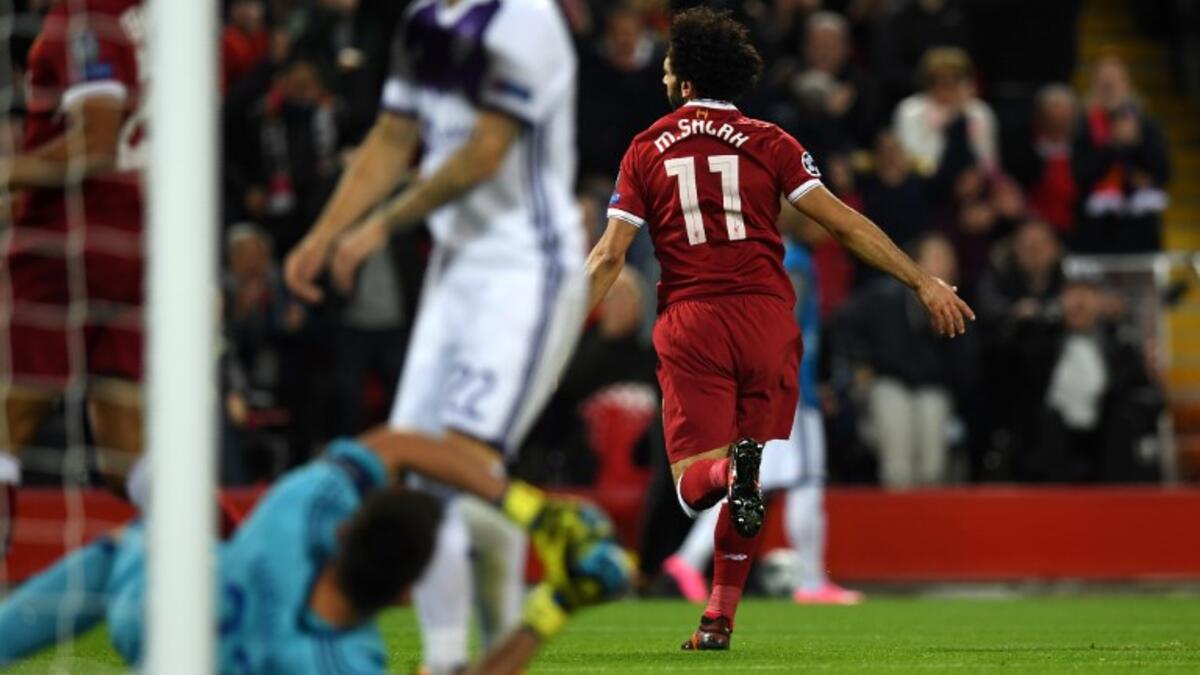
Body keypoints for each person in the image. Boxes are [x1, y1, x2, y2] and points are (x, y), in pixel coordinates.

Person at [585, 7, 973, 651]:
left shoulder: (646, 146)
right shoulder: (772, 141)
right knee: (752, 475)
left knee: (693, 484)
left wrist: (561, 330)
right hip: (767, 318)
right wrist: (922, 280)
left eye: (667, 63)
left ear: (684, 80)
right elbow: (845, 224)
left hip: (693, 320)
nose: (661, 70)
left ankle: (724, 482)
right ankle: (717, 620)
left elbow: (607, 257)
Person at [283, 1, 589, 671]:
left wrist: (381, 226)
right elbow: (393, 138)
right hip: (455, 274)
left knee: (454, 469)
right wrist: (323, 233)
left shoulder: (523, 18)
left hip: (523, 269)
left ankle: (458, 656)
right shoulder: (424, 18)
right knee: (414, 476)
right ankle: (451, 656)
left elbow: (484, 151)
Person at [0, 431, 631, 673]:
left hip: (161, 618)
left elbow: (395, 446)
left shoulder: (305, 510)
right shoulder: (343, 661)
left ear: (347, 532)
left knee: (142, 545)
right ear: (406, 593)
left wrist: (530, 507)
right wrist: (551, 609)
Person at [1, 0, 146, 564]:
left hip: (70, 241)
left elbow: (94, 143)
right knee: (127, 456)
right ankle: (239, 581)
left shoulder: (85, 17)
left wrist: (8, 171)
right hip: (138, 240)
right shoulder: (136, 15)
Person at [663, 241, 863, 606]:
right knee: (800, 482)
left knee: (763, 483)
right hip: (787, 390)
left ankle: (689, 561)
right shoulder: (793, 260)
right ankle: (811, 580)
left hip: (774, 388)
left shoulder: (756, 256)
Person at [834, 234, 976, 488]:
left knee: (933, 462)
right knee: (897, 456)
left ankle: (927, 520)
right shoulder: (883, 297)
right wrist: (859, 366)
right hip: (887, 385)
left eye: (949, 259)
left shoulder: (958, 307)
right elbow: (842, 326)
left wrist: (942, 337)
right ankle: (898, 521)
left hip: (932, 390)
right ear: (916, 263)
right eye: (937, 257)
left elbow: (966, 369)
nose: (946, 264)